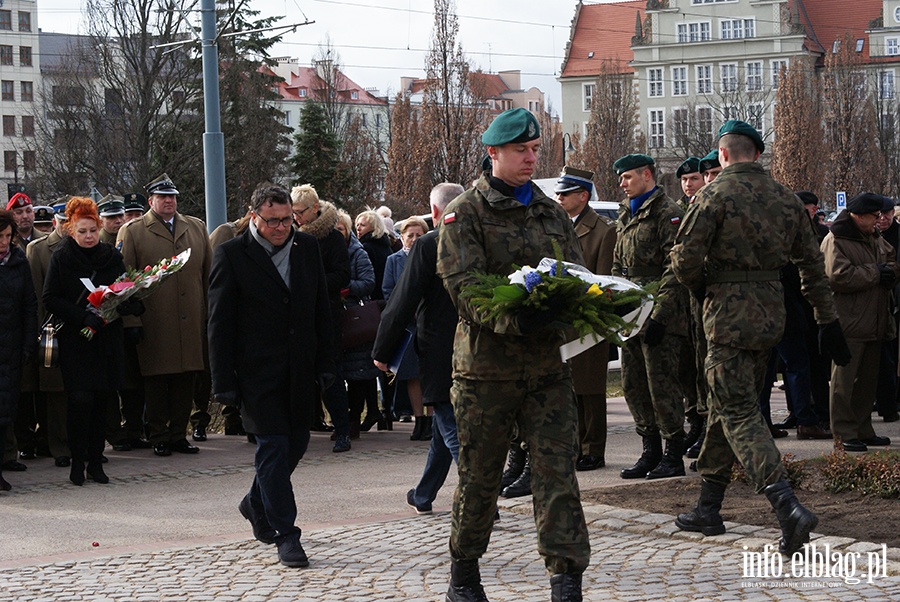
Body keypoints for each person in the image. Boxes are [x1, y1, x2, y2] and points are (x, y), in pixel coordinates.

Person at [671, 119, 851, 556]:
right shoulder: (787, 199)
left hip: (727, 316)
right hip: (771, 314)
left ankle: (786, 505)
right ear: (757, 154)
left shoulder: (712, 195)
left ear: (724, 155)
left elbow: (683, 261)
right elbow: (811, 266)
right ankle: (708, 507)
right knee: (728, 406)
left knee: (737, 411)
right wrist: (827, 321)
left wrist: (702, 291)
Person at [437, 107, 588, 602]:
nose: (530, 158)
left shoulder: (550, 212)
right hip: (486, 372)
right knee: (480, 479)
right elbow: (466, 290)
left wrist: (568, 312)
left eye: (535, 149)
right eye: (521, 150)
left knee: (557, 477)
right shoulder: (465, 214)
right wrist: (517, 318)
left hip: (546, 369)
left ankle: (566, 581)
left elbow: (577, 276)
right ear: (493, 154)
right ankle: (464, 573)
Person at [208, 183, 334, 568]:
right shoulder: (231, 254)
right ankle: (287, 534)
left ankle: (255, 501)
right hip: (255, 373)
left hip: (300, 368)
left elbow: (321, 311)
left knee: (294, 444)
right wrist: (223, 381)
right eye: (273, 221)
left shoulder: (307, 248)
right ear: (253, 217)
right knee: (274, 448)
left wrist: (328, 364)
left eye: (288, 220)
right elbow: (218, 322)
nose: (282, 227)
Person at [373, 183, 464, 515]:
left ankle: (480, 503)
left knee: (451, 426)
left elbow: (402, 300)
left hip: (440, 350)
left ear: (435, 213)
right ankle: (424, 494)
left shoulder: (430, 244)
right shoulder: (483, 240)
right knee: (444, 425)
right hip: (479, 349)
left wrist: (382, 350)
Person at [43, 198, 145, 486]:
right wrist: (81, 317)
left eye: (93, 231)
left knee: (103, 399)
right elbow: (50, 298)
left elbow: (123, 288)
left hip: (107, 338)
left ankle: (96, 461)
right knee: (80, 399)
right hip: (78, 340)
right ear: (71, 231)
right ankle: (77, 461)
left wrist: (129, 306)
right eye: (82, 231)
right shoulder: (63, 257)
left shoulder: (110, 256)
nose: (89, 237)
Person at [116, 173, 211, 457]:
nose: (169, 201)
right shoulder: (133, 231)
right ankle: (158, 434)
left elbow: (208, 276)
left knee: (186, 378)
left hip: (191, 319)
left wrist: (208, 315)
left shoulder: (195, 227)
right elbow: (124, 282)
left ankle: (178, 434)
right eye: (162, 197)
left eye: (172, 197)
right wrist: (131, 321)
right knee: (157, 381)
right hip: (155, 320)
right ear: (151, 201)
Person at [612, 153, 688, 480]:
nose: (622, 184)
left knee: (662, 385)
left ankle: (673, 453)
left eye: (628, 177)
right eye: (621, 179)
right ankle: (650, 450)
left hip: (660, 315)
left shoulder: (667, 213)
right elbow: (618, 265)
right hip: (631, 312)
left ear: (646, 175)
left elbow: (675, 268)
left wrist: (660, 314)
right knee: (633, 383)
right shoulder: (625, 215)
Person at [820, 193, 899, 452]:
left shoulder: (872, 236)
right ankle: (843, 433)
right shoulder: (837, 239)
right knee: (844, 382)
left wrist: (889, 273)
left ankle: (863, 429)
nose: (879, 220)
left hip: (874, 320)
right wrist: (876, 273)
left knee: (867, 381)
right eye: (875, 216)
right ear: (859, 216)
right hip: (849, 321)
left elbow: (891, 260)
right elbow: (838, 276)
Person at [554, 166, 615, 472]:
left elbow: (604, 282)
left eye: (565, 194)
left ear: (583, 195)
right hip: (564, 319)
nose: (559, 198)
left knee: (590, 387)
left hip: (590, 319)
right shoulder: (560, 227)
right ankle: (576, 444)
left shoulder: (604, 230)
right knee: (571, 386)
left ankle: (593, 448)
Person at [291, 184, 352, 451]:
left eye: (299, 212)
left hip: (326, 315)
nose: (295, 218)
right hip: (298, 315)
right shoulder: (292, 236)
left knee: (331, 374)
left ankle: (343, 430)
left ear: (315, 209)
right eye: (292, 213)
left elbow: (342, 276)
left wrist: (311, 283)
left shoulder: (333, 237)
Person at [25, 204, 72, 467]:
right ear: (55, 221)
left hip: (79, 327)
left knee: (78, 389)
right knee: (55, 393)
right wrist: (42, 331)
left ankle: (81, 442)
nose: (67, 225)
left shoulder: (84, 245)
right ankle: (59, 446)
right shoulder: (38, 249)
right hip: (51, 329)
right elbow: (36, 296)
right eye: (63, 220)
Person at [382, 216, 431, 441]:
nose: (413, 239)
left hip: (428, 323)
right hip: (408, 326)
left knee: (430, 374)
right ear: (401, 237)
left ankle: (431, 421)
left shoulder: (431, 255)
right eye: (409, 235)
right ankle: (418, 419)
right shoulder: (393, 260)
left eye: (418, 235)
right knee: (413, 375)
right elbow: (388, 291)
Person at [0, 209, 38, 491]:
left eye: (7, 236)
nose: (3, 242)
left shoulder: (18, 261)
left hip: (11, 349)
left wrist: (27, 344)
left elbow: (29, 305)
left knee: (6, 410)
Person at [334, 209, 381, 434]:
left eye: (340, 229)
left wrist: (347, 288)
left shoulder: (357, 252)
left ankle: (353, 419)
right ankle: (342, 419)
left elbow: (368, 282)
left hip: (353, 319)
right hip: (334, 317)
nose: (337, 233)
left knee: (357, 374)